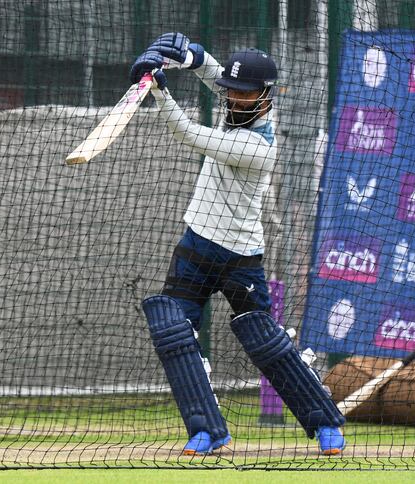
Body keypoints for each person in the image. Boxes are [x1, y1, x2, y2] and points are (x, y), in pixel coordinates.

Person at [130, 32, 345, 456]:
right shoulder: (234, 109)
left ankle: (324, 424)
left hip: (240, 257)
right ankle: (208, 431)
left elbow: (189, 134)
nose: (234, 100)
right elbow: (214, 75)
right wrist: (190, 55)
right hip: (196, 245)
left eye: (245, 94)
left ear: (265, 98)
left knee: (264, 342)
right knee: (173, 330)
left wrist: (158, 88)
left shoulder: (258, 145)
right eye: (232, 92)